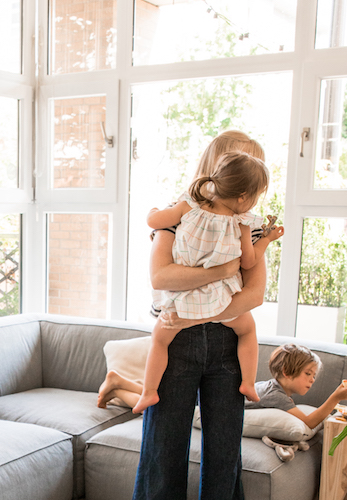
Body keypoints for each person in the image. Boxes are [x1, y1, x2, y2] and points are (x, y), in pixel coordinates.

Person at [97, 130, 282, 412]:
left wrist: (191, 318)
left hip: (221, 341)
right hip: (179, 335)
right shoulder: (184, 211)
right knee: (165, 438)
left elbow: (255, 295)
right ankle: (133, 388)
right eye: (243, 164)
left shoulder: (248, 224)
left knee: (224, 444)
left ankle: (126, 386)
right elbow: (161, 278)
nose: (252, 178)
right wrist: (221, 271)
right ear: (219, 168)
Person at [247, 343, 347, 460]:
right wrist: (336, 398)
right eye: (308, 373)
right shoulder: (275, 395)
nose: (312, 380)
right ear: (287, 372)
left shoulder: (275, 391)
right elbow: (309, 422)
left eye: (314, 375)